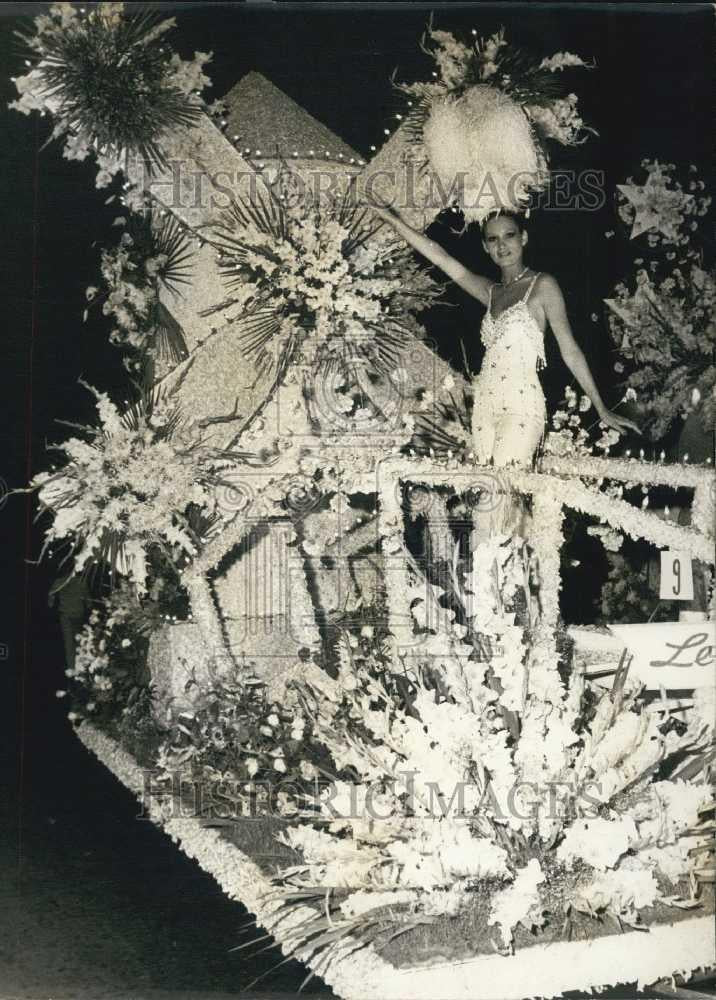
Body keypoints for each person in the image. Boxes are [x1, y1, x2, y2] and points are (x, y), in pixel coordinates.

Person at [368, 203, 640, 468]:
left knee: (505, 487)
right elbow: (441, 258)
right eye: (493, 239)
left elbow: (570, 350)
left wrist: (601, 408)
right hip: (484, 404)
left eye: (509, 235)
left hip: (521, 405)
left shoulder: (543, 285)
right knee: (491, 500)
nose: (502, 245)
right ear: (486, 248)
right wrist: (393, 220)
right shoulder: (490, 292)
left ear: (523, 238)